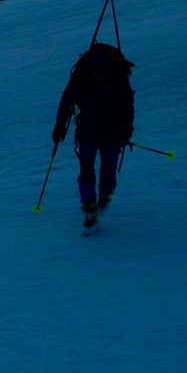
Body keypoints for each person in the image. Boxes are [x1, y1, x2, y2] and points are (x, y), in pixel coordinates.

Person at [52, 42, 134, 233]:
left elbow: (66, 103)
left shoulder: (81, 75)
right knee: (108, 166)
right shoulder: (117, 75)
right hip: (111, 131)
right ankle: (105, 195)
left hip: (88, 130)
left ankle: (90, 215)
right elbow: (127, 104)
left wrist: (59, 129)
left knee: (86, 170)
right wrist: (126, 131)